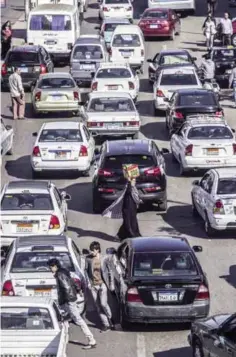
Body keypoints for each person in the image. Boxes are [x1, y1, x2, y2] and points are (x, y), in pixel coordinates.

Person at [47, 258, 96, 350]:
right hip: (70, 299)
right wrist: (78, 290)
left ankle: (91, 340)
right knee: (64, 319)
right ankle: (64, 339)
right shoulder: (64, 271)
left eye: (51, 267)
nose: (50, 269)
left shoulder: (60, 274)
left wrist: (63, 301)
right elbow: (73, 282)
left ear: (55, 266)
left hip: (68, 300)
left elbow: (66, 288)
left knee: (77, 319)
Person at [85, 241, 115, 332]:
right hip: (93, 285)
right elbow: (86, 271)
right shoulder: (88, 259)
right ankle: (106, 324)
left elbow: (110, 271)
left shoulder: (104, 258)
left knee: (103, 304)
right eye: (90, 250)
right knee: (98, 306)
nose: (91, 252)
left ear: (97, 250)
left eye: (93, 250)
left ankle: (110, 319)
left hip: (102, 284)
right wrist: (89, 283)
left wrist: (111, 284)